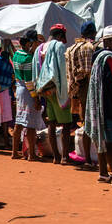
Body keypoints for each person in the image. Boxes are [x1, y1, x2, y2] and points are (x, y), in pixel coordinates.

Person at [84, 25, 112, 183]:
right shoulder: (111, 59)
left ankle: (103, 173)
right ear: (109, 41)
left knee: (103, 139)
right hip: (109, 107)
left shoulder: (98, 57)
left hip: (99, 105)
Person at [34, 23, 70, 164]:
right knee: (66, 124)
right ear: (60, 35)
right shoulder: (59, 46)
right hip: (57, 89)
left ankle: (56, 156)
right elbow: (62, 68)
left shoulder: (40, 48)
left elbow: (36, 70)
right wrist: (64, 89)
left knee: (52, 123)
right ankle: (65, 157)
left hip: (45, 90)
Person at [66, 22, 98, 163]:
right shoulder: (90, 47)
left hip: (76, 90)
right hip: (88, 88)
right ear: (94, 33)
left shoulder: (71, 49)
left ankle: (87, 157)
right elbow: (89, 72)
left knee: (85, 123)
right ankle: (93, 157)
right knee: (92, 123)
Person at [11, 32, 45, 161]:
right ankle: (31, 154)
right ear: (29, 44)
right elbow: (29, 82)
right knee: (30, 124)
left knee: (19, 122)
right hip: (28, 92)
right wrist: (36, 98)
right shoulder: (29, 58)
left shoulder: (16, 55)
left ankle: (14, 152)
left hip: (19, 90)